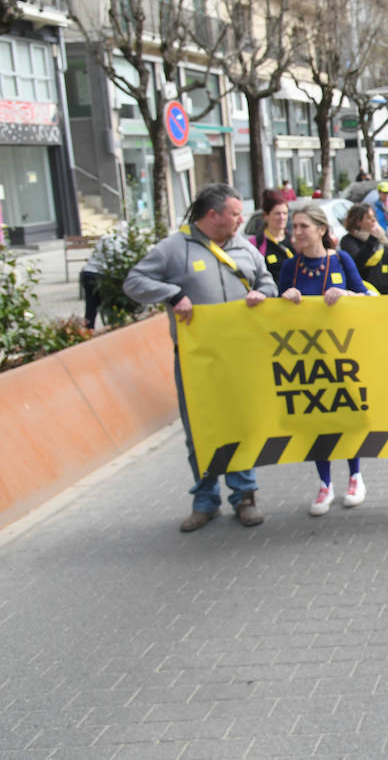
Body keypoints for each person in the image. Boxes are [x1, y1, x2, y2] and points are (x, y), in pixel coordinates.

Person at [123, 183, 275, 532]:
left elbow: (269, 284)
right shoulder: (173, 249)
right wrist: (172, 293)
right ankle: (205, 500)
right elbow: (134, 282)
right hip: (196, 360)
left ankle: (245, 496)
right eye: (235, 213)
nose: (241, 220)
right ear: (213, 215)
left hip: (240, 356)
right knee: (200, 430)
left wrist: (261, 294)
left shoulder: (246, 249)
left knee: (242, 425)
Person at [279, 203, 372, 516]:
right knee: (315, 420)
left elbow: (366, 297)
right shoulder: (289, 268)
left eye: (303, 226)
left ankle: (355, 476)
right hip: (306, 357)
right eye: (294, 227)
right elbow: (275, 315)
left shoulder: (341, 260)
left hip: (342, 353)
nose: (297, 233)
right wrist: (285, 300)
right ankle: (324, 483)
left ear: (321, 229)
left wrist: (346, 296)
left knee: (346, 414)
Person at [340, 203, 388, 295]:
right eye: (368, 218)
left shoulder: (382, 238)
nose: (374, 220)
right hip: (367, 292)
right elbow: (358, 262)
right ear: (357, 222)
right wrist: (371, 239)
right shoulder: (348, 240)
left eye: (373, 217)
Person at [78, 223, 129, 330]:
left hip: (87, 273)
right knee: (111, 305)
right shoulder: (119, 241)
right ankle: (113, 327)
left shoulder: (105, 238)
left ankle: (88, 329)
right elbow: (115, 263)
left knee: (91, 306)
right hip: (99, 276)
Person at [250, 190, 294, 287]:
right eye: (277, 214)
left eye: (285, 213)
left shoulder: (295, 240)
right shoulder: (256, 243)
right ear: (266, 216)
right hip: (271, 298)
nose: (282, 217)